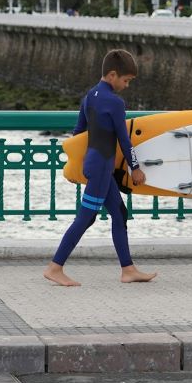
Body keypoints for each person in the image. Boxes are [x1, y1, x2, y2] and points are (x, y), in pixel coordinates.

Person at [44, 49, 156, 287]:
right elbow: (124, 140)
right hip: (102, 167)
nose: (126, 86)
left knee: (119, 213)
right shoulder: (115, 102)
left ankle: (128, 269)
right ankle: (55, 267)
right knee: (86, 218)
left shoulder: (90, 96)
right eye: (126, 80)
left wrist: (75, 166)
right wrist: (135, 168)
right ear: (113, 75)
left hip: (93, 164)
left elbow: (78, 135)